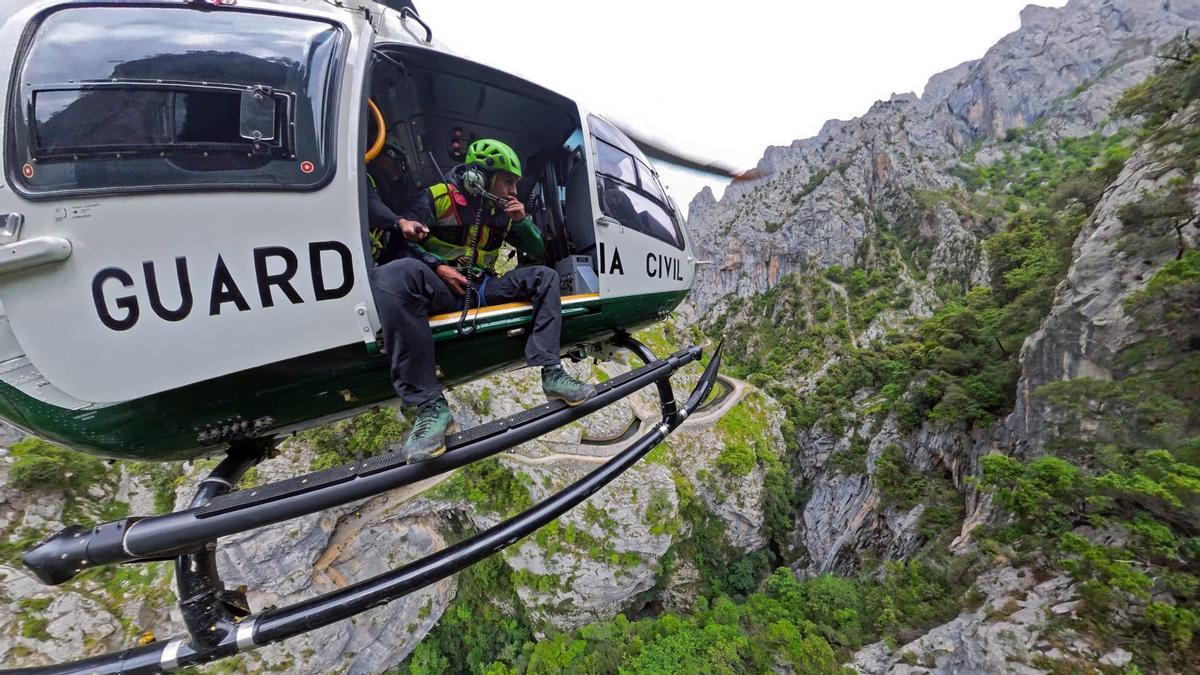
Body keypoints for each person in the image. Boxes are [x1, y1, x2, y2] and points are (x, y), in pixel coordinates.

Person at [369, 138, 596, 463]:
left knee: (544, 276)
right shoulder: (438, 198)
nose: (515, 190)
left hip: (485, 285)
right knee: (392, 276)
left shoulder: (503, 212)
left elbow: (536, 252)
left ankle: (551, 372)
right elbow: (396, 244)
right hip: (443, 286)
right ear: (480, 176)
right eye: (508, 180)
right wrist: (438, 267)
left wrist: (523, 222)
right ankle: (430, 406)